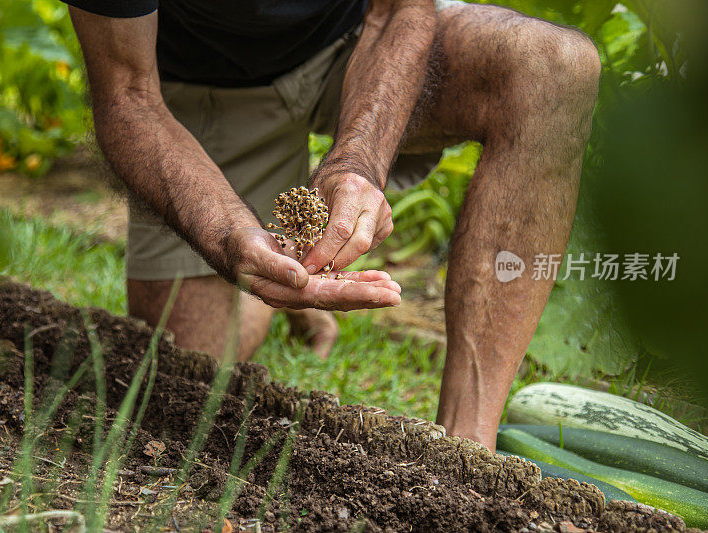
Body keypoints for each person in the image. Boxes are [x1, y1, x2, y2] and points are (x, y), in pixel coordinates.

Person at [63, 0, 600, 451]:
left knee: (554, 65)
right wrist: (226, 233)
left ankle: (467, 445)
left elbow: (397, 12)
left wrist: (357, 161)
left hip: (361, 46)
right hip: (207, 88)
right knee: (185, 375)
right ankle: (285, 263)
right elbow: (127, 95)